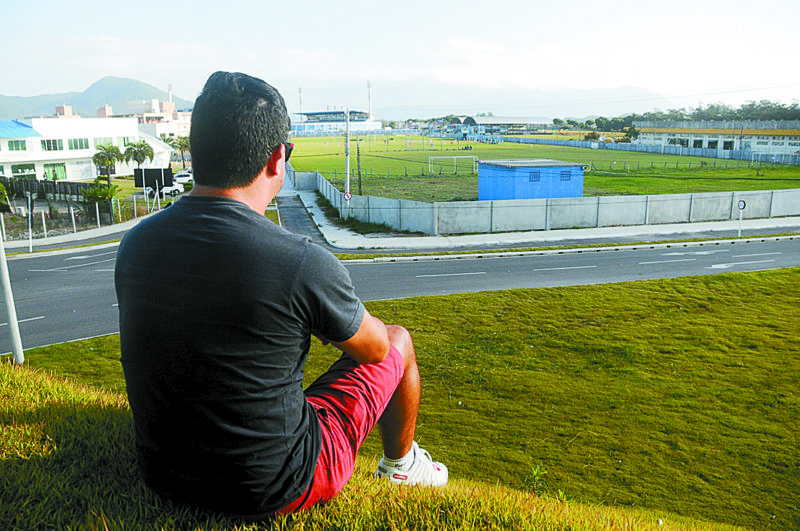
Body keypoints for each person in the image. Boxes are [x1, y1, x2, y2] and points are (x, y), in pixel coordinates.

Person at [114, 71, 447, 520]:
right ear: (277, 159)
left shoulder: (136, 243)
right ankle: (401, 468)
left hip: (163, 472)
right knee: (400, 342)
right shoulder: (299, 261)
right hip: (276, 485)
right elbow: (376, 349)